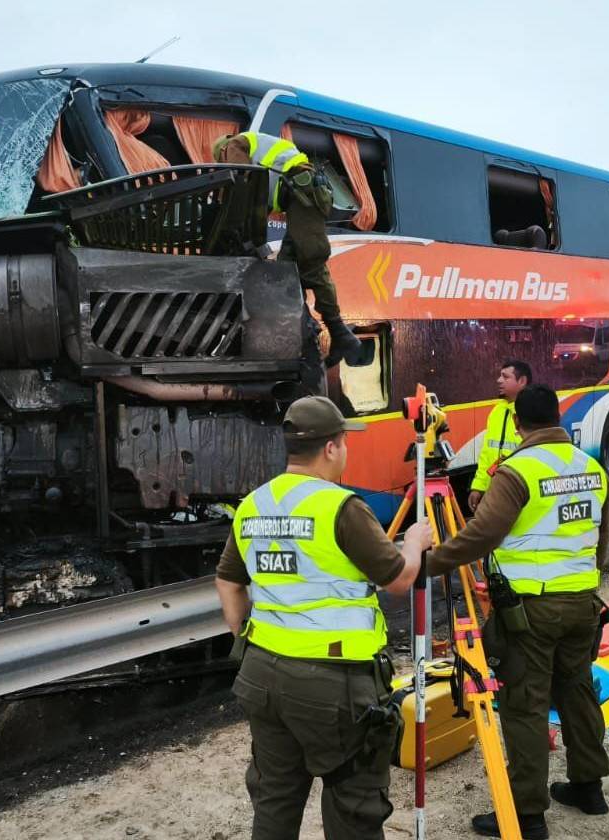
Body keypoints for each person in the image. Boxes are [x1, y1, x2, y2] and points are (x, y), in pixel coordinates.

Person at [215, 396, 432, 840]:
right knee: (354, 801)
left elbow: (228, 582)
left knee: (275, 796)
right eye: (344, 444)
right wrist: (414, 541)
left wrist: (246, 638)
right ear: (332, 448)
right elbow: (397, 579)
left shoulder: (254, 504)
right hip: (333, 685)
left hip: (262, 675)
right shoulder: (340, 506)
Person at [422, 384, 609, 839]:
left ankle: (527, 814)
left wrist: (429, 562)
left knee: (524, 706)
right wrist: (583, 582)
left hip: (532, 612)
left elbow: (482, 535)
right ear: (557, 418)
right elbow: (601, 538)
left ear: (519, 423)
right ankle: (589, 787)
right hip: (583, 602)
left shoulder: (517, 470)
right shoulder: (591, 466)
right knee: (577, 692)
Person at [213, 131, 361, 367]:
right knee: (287, 271)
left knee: (312, 262)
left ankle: (341, 334)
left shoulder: (232, 145)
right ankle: (307, 331)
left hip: (303, 193)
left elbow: (242, 182)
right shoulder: (255, 144)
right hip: (299, 196)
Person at [470, 360, 531, 511]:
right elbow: (487, 455)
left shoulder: (531, 412)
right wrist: (478, 486)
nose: (499, 380)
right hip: (497, 493)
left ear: (522, 381)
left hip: (522, 493)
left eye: (505, 377)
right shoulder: (497, 412)